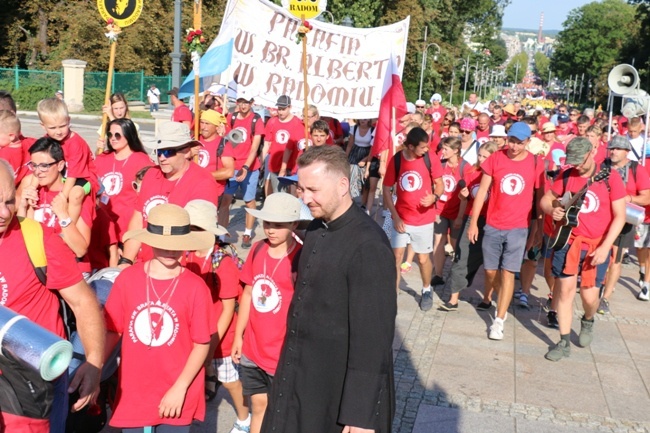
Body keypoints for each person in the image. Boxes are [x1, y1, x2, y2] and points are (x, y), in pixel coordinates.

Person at [261, 145, 397, 433]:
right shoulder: (315, 228)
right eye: (301, 189)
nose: (304, 198)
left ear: (343, 185)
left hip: (336, 391)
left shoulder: (368, 246)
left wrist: (360, 416)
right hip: (300, 375)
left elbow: (374, 339)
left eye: (313, 189)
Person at [0, 158, 105, 433]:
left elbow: (83, 302)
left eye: (10, 201)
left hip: (34, 382)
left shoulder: (36, 237)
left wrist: (94, 363)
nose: (3, 212)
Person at [103, 204, 215, 431]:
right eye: (163, 244)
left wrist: (180, 387)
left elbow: (202, 343)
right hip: (134, 392)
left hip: (177, 390)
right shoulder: (127, 280)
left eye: (176, 245)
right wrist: (95, 367)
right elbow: (113, 330)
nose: (170, 250)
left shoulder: (196, 287)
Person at [541, 138, 626, 361]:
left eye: (580, 160)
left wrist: (606, 247)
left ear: (592, 152)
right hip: (568, 242)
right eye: (573, 161)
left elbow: (620, 216)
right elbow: (546, 199)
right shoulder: (567, 175)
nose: (577, 165)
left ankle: (588, 319)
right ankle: (564, 341)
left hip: (596, 245)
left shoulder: (610, 178)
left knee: (590, 297)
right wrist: (552, 210)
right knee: (565, 292)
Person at [232, 193, 302, 433]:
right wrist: (238, 336)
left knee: (281, 410)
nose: (270, 230)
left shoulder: (300, 257)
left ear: (293, 225)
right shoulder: (257, 248)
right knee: (258, 403)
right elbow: (248, 293)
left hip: (280, 352)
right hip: (253, 347)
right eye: (267, 223)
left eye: (278, 225)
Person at [467, 122, 544, 341]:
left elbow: (540, 198)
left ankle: (499, 320)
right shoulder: (496, 158)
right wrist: (473, 222)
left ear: (528, 142)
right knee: (491, 272)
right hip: (492, 224)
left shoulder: (536, 162)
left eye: (519, 143)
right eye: (511, 141)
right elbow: (482, 191)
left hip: (519, 227)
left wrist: (537, 229)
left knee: (508, 272)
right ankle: (502, 298)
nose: (514, 146)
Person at [182, 200, 251, 433]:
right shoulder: (187, 255)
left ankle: (244, 418)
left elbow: (228, 308)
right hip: (193, 329)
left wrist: (213, 345)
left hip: (220, 336)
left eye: (194, 229)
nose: (190, 233)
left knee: (230, 381)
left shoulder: (224, 263)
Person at [119, 122, 219, 266]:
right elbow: (138, 219)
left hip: (179, 267)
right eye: (159, 151)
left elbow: (198, 235)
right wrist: (126, 260)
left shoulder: (202, 181)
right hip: (146, 263)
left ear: (186, 151)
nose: (162, 157)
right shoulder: (151, 174)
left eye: (168, 152)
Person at [383, 127, 444, 310]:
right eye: (423, 147)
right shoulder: (397, 160)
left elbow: (439, 184)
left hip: (423, 219)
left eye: (428, 146)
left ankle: (426, 289)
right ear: (410, 146)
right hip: (401, 218)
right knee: (396, 256)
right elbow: (386, 189)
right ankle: (392, 294)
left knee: (423, 259)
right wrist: (395, 217)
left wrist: (434, 197)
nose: (427, 149)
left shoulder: (429, 157)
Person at [18, 138, 95, 275]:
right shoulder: (35, 192)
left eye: (44, 166)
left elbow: (80, 249)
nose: (37, 171)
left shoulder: (75, 195)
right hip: (40, 266)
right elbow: (22, 237)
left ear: (60, 166)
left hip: (71, 270)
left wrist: (63, 216)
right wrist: (23, 206)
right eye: (33, 165)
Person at [444, 141, 499, 311]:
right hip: (470, 218)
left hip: (491, 221)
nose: (481, 159)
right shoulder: (471, 172)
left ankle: (487, 298)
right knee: (461, 255)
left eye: (485, 156)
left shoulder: (498, 175)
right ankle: (453, 299)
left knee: (489, 262)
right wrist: (462, 198)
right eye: (479, 155)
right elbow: (464, 199)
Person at [598, 136, 650, 311]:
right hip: (601, 217)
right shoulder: (601, 166)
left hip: (624, 220)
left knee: (616, 259)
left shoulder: (637, 169)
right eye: (611, 148)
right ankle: (594, 285)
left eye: (617, 149)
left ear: (627, 151)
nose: (613, 151)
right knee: (597, 252)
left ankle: (605, 297)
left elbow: (647, 197)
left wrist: (627, 198)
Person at [35, 98, 98, 223]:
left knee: (75, 195)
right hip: (63, 175)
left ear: (68, 121)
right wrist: (32, 187)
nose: (58, 132)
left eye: (62, 126)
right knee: (29, 182)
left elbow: (73, 175)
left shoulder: (76, 144)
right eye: (52, 128)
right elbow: (38, 163)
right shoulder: (47, 139)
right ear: (43, 126)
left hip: (84, 177)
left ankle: (69, 224)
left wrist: (63, 196)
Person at [95, 118, 152, 241]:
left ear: (128, 135)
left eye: (117, 135)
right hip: (103, 225)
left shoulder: (142, 160)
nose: (113, 138)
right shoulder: (102, 158)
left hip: (127, 227)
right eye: (110, 134)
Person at [221, 93, 265, 249]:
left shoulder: (256, 120)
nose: (243, 105)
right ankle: (222, 234)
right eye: (240, 102)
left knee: (249, 201)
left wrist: (246, 167)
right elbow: (227, 139)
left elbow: (254, 147)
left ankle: (247, 233)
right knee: (226, 199)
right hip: (232, 166)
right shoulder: (231, 117)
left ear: (252, 103)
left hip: (250, 168)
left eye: (246, 102)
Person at [432, 136, 471, 294]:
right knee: (438, 242)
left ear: (456, 150)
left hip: (456, 211)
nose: (443, 151)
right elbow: (434, 187)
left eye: (446, 148)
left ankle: (458, 277)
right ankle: (438, 274)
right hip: (441, 210)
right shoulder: (440, 165)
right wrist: (434, 210)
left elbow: (465, 195)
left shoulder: (465, 167)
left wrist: (460, 216)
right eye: (443, 147)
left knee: (456, 246)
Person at [265, 95, 304, 193]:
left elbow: (297, 146)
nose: (280, 112)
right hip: (275, 164)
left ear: (290, 107)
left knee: (292, 196)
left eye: (283, 109)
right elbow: (267, 143)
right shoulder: (272, 121)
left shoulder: (297, 123)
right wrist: (261, 161)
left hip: (292, 165)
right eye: (279, 109)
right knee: (278, 194)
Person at [197, 109, 235, 200]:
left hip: (213, 192)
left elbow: (229, 172)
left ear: (216, 127)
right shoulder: (194, 140)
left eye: (207, 124)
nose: (203, 127)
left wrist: (202, 175)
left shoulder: (223, 144)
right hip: (193, 190)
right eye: (202, 123)